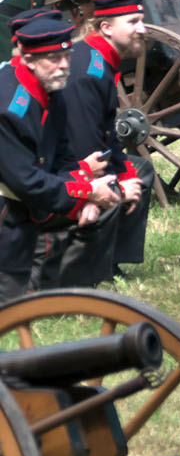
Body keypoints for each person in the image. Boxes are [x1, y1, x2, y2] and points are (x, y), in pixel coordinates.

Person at [33, 0, 153, 287]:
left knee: (141, 170)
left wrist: (126, 171)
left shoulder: (98, 59)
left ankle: (112, 260)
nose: (143, 29)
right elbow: (85, 147)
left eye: (142, 20)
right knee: (111, 185)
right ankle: (92, 269)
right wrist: (116, 183)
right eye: (133, 21)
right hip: (58, 172)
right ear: (106, 28)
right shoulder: (89, 71)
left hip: (73, 161)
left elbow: (107, 133)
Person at [0, 16, 121, 301]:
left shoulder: (51, 89)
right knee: (10, 307)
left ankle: (59, 290)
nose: (64, 65)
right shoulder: (7, 107)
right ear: (28, 60)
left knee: (106, 201)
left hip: (29, 202)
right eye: (53, 59)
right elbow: (25, 181)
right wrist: (86, 193)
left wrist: (86, 197)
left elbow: (64, 157)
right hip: (7, 210)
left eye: (67, 56)